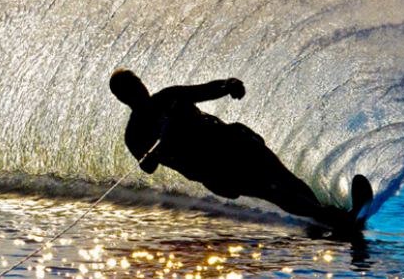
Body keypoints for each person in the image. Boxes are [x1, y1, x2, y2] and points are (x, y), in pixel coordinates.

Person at [109, 68, 372, 229]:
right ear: (122, 99)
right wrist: (155, 152)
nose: (138, 89)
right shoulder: (135, 133)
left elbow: (204, 90)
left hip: (231, 140)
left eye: (137, 83)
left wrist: (227, 84)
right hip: (214, 169)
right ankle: (334, 220)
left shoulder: (168, 96)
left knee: (286, 179)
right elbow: (147, 167)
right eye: (129, 90)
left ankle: (329, 218)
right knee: (273, 189)